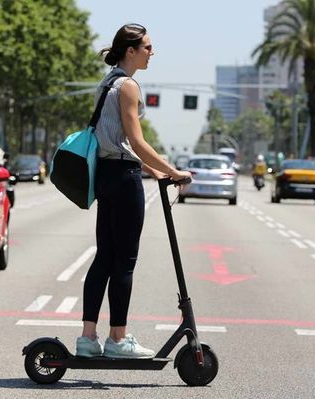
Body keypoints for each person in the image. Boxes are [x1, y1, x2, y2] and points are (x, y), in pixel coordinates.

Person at [76, 23, 192, 359]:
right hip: (125, 181)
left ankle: (87, 338)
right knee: (124, 262)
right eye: (147, 47)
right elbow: (136, 141)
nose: (151, 53)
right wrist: (173, 171)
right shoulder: (127, 86)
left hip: (107, 176)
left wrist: (155, 172)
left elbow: (116, 142)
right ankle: (118, 339)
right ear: (131, 50)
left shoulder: (106, 82)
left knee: (104, 258)